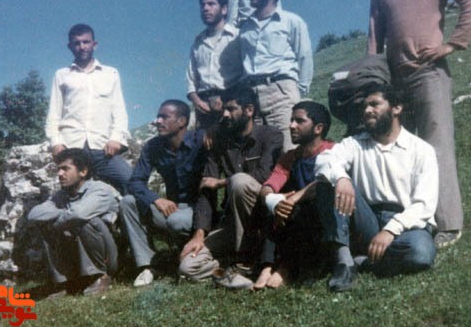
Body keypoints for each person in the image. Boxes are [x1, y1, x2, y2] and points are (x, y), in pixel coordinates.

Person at [367, 0, 471, 248]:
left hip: (429, 73)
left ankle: (449, 224)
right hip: (395, 81)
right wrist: (374, 81)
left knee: (436, 147)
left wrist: (452, 44)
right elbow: (374, 40)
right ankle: (414, 222)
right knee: (403, 150)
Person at [315, 84, 438, 292]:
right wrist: (342, 178)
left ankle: (363, 261)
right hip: (368, 219)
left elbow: (424, 205)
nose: (367, 110)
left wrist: (390, 230)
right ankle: (345, 262)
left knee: (420, 253)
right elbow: (325, 159)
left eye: (374, 104)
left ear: (396, 108)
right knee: (328, 180)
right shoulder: (354, 144)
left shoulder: (421, 150)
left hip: (407, 224)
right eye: (365, 106)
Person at [179, 88, 283, 288]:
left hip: (265, 222)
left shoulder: (271, 135)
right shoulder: (218, 142)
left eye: (231, 109)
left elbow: (265, 174)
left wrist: (222, 182)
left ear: (249, 110)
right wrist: (199, 234)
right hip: (233, 223)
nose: (225, 115)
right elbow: (206, 188)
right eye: (223, 110)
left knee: (239, 181)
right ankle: (233, 269)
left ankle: (247, 259)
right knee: (188, 266)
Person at [119, 100, 206, 287]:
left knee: (177, 221)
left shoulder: (200, 140)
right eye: (158, 117)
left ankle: (188, 253)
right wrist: (156, 199)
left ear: (182, 121)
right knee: (128, 202)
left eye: (164, 117)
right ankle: (148, 265)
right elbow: (135, 181)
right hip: (172, 208)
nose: (157, 121)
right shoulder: (153, 146)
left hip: (199, 210)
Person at [254, 101, 335, 289]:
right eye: (291, 120)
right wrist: (275, 201)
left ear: (318, 128)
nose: (291, 126)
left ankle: (286, 268)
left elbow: (324, 183)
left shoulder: (333, 151)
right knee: (272, 207)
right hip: (294, 210)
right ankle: (267, 267)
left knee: (302, 210)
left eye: (299, 121)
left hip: (323, 218)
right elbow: (268, 186)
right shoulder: (291, 156)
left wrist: (292, 199)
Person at [45, 23, 132, 194]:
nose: (82, 46)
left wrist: (115, 138)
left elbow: (119, 111)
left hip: (102, 147)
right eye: (77, 43)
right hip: (72, 146)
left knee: (130, 180)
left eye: (86, 42)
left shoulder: (111, 73)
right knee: (73, 193)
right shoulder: (61, 75)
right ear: (70, 46)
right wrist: (56, 142)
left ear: (94, 44)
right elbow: (53, 113)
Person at [28, 148, 121, 297]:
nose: (60, 174)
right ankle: (64, 282)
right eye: (58, 169)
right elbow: (34, 214)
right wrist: (64, 214)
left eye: (66, 169)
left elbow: (79, 214)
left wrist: (62, 218)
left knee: (86, 221)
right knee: (45, 225)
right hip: (79, 251)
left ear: (83, 172)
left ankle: (100, 276)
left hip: (110, 255)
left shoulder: (100, 189)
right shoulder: (61, 195)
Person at [239, 0, 313, 151]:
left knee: (289, 149)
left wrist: (299, 91)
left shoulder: (291, 21)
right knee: (257, 152)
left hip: (281, 92)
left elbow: (304, 56)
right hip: (252, 95)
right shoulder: (245, 27)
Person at [186, 0, 242, 129]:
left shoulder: (237, 37)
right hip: (204, 106)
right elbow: (191, 79)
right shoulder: (198, 43)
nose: (205, 8)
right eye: (203, 5)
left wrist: (227, 99)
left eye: (211, 4)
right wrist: (197, 101)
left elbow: (245, 72)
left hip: (231, 103)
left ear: (224, 9)